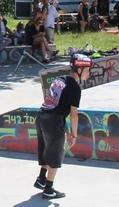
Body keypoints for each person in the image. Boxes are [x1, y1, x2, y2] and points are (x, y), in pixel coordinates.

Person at [34, 53, 92, 199]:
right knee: (55, 153)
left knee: (46, 149)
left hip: (42, 117)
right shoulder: (74, 87)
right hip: (53, 121)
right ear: (79, 70)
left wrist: (64, 128)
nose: (89, 73)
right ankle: (48, 189)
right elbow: (73, 114)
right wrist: (74, 134)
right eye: (87, 70)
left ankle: (41, 179)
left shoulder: (59, 80)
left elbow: (55, 103)